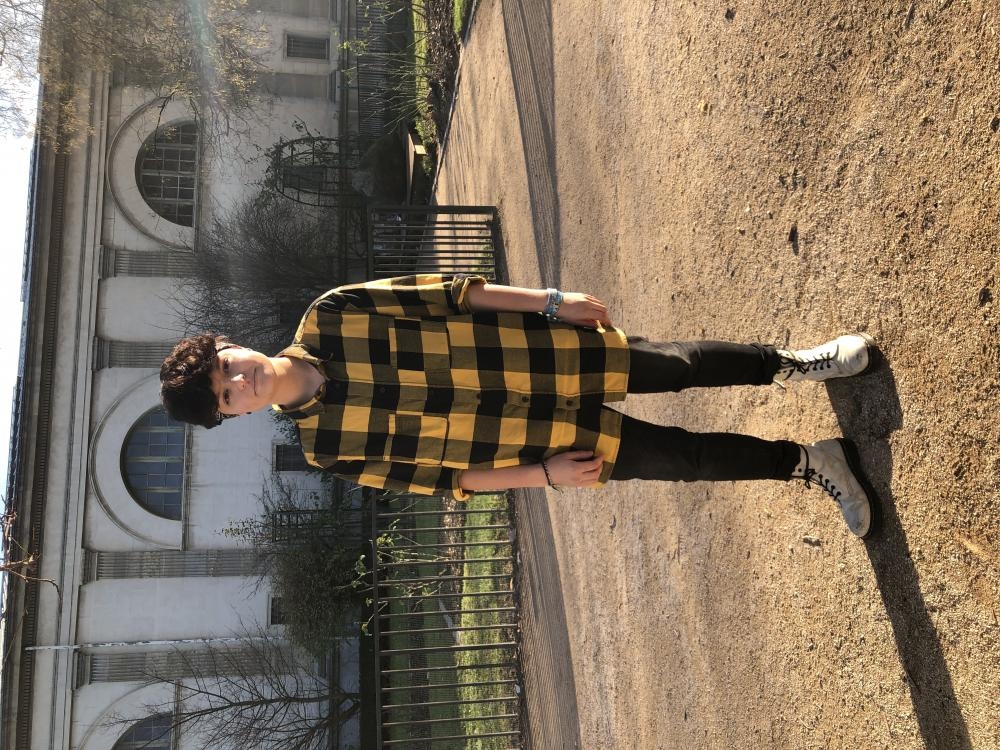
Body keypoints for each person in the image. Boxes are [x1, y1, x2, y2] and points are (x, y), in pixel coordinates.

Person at [160, 274, 881, 538]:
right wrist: (544, 476)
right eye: (226, 397)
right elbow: (447, 481)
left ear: (231, 345)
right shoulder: (328, 450)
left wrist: (552, 302)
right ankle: (810, 462)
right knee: (683, 461)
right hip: (541, 441)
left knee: (682, 365)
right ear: (234, 417)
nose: (239, 382)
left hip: (546, 355)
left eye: (226, 367)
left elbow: (451, 295)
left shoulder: (331, 313)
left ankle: (797, 363)